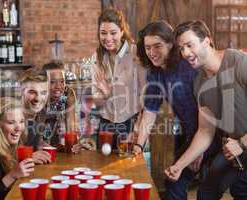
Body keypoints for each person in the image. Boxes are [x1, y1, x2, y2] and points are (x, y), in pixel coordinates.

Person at [134, 20, 220, 200]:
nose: (152, 52)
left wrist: (198, 150)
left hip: (216, 135)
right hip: (193, 136)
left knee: (201, 191)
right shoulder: (154, 73)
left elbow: (212, 114)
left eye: (157, 46)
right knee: (174, 183)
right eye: (147, 47)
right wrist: (138, 145)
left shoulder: (190, 66)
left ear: (171, 43)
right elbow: (149, 112)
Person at [165, 20, 247, 199]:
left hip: (242, 144)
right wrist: (179, 165)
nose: (185, 53)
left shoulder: (239, 62)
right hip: (235, 148)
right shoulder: (199, 83)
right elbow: (205, 131)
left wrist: (242, 143)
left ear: (206, 41)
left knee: (241, 190)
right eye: (181, 48)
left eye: (189, 45)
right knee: (206, 194)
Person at [91, 8, 146, 149]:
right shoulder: (97, 58)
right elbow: (97, 103)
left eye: (113, 33)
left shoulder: (135, 53)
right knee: (101, 165)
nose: (108, 38)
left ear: (122, 31)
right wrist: (106, 93)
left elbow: (146, 95)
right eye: (103, 33)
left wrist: (138, 127)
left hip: (131, 122)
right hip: (105, 124)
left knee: (127, 166)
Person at [20, 67, 52, 163]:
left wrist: (41, 145)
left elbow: (30, 143)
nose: (38, 99)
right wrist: (28, 157)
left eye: (43, 93)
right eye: (32, 92)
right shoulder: (12, 115)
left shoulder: (40, 113)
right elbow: (0, 157)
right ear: (21, 92)